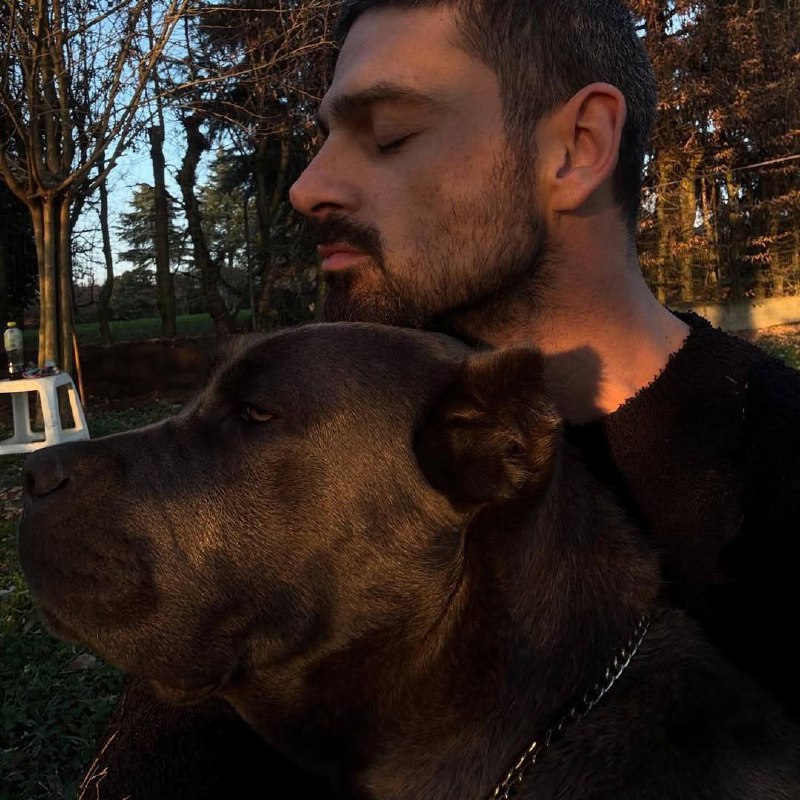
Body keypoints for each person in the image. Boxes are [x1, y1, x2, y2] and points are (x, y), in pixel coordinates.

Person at [84, 1, 799, 796]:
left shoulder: (774, 483)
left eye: (389, 134)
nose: (308, 187)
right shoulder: (326, 445)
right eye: (325, 137)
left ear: (577, 147)